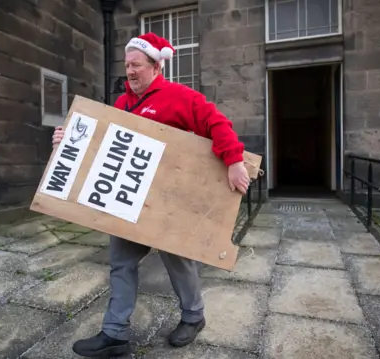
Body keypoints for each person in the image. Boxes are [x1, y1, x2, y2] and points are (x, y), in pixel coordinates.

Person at [51, 32, 250, 358]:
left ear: (156, 66)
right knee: (121, 262)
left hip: (172, 201)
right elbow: (100, 146)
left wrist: (234, 160)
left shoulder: (180, 97)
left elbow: (217, 123)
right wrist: (67, 139)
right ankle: (115, 335)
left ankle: (193, 316)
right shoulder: (121, 103)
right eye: (127, 64)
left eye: (137, 65)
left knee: (178, 261)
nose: (130, 71)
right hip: (129, 200)